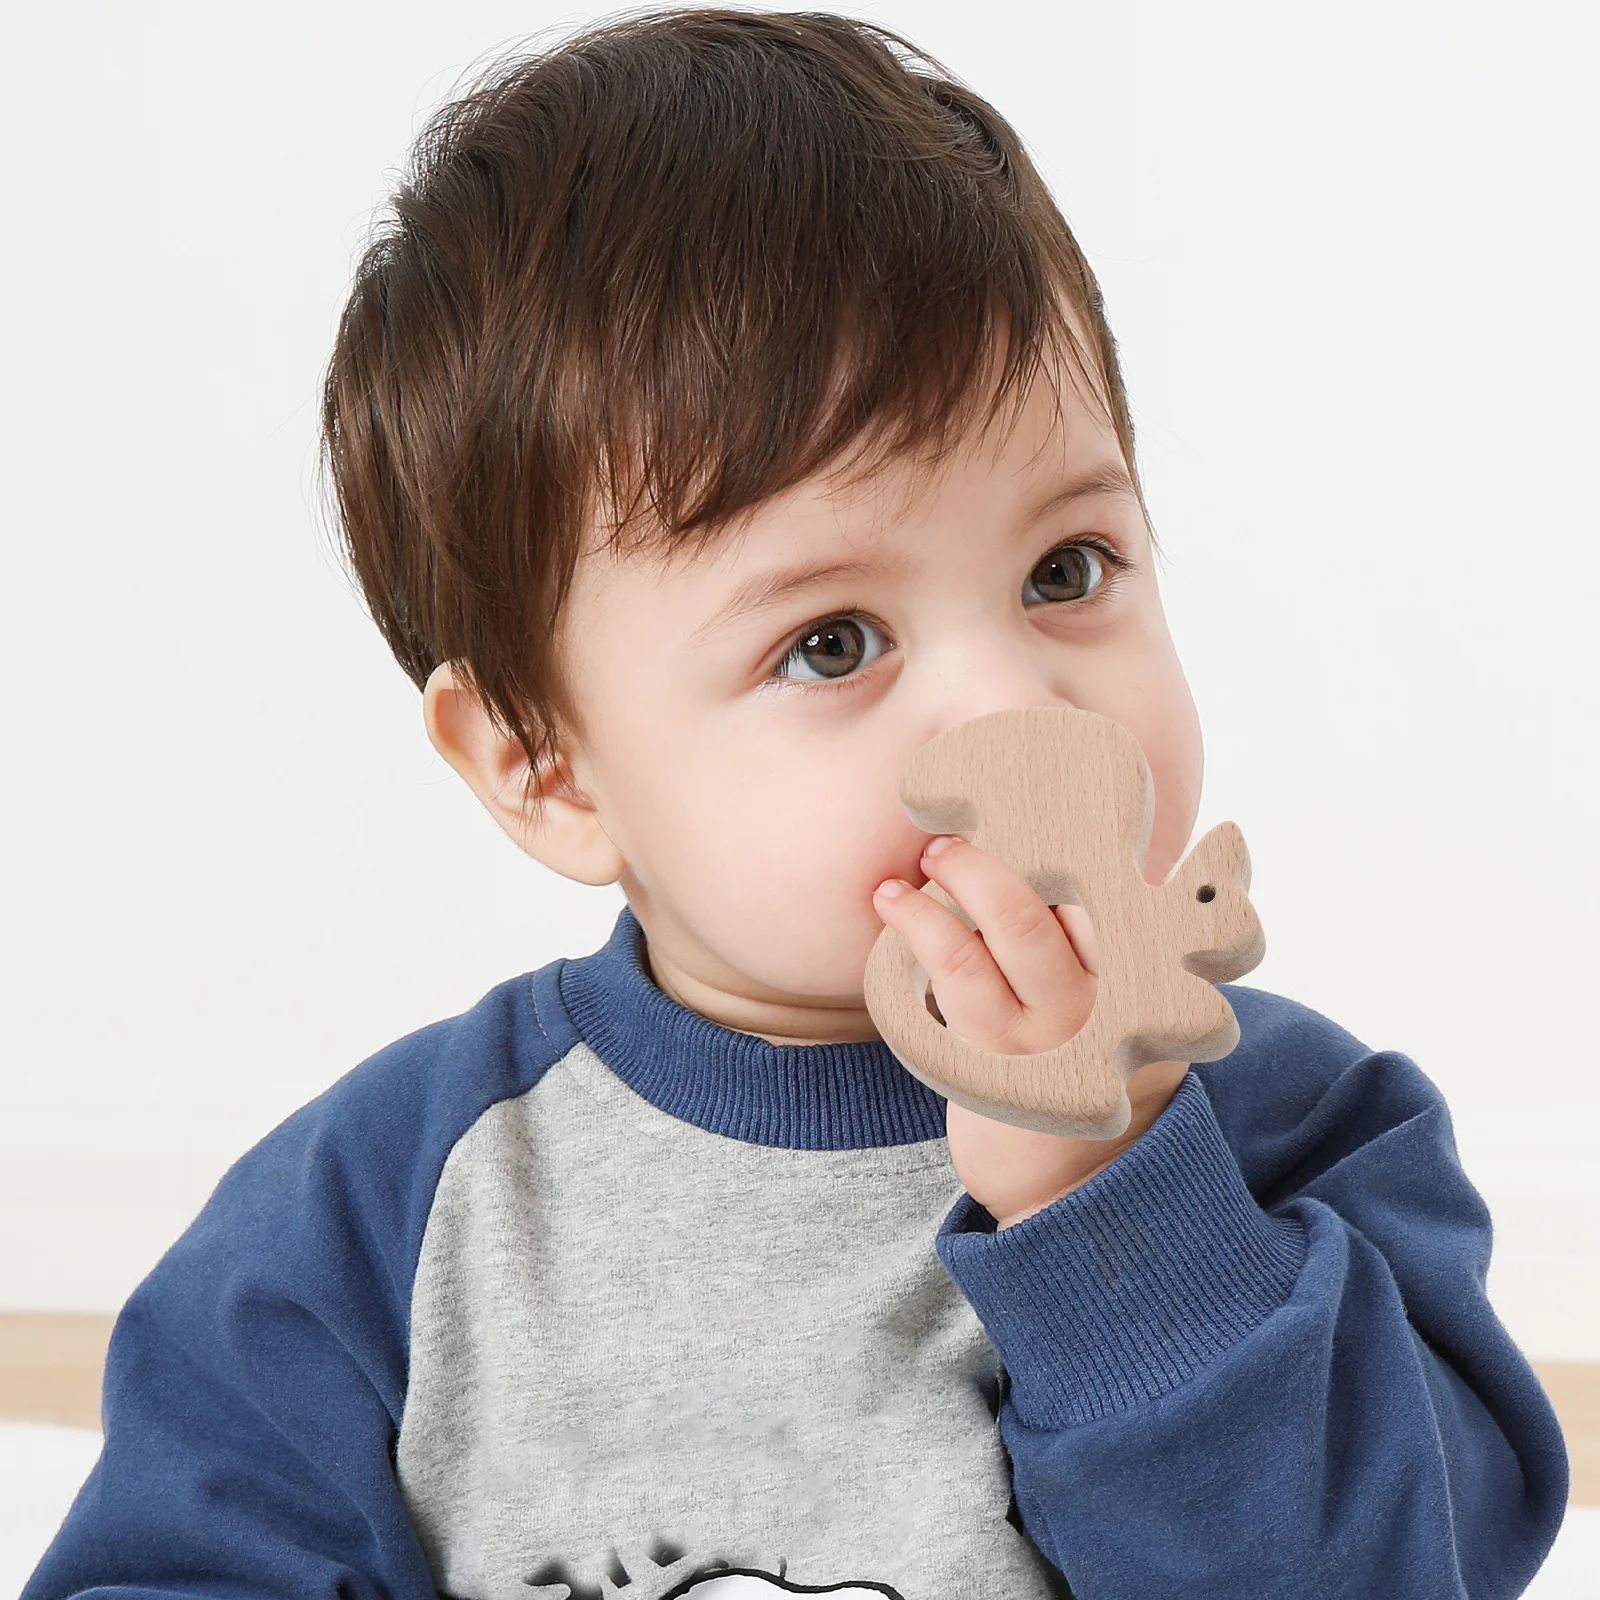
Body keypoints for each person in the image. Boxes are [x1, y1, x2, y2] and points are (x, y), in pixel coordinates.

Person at [25, 10, 1568, 1597]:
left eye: (1066, 570)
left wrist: (1116, 1210)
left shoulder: (1295, 1136)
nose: (1020, 707)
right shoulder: (379, 1224)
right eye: (831, 643)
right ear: (542, 765)